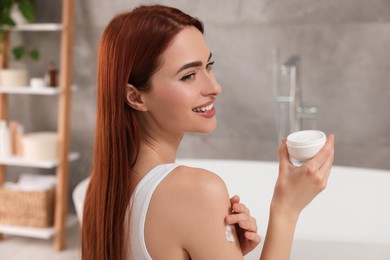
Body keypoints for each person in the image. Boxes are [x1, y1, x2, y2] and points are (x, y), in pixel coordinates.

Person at [82, 5, 335, 260]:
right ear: (136, 97)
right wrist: (286, 209)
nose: (214, 87)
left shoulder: (104, 188)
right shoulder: (197, 191)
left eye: (208, 65)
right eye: (189, 75)